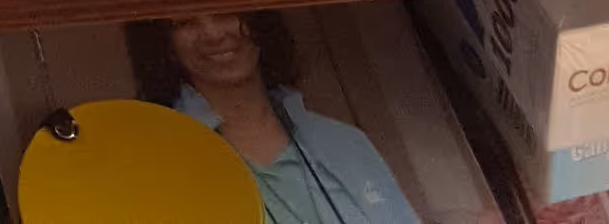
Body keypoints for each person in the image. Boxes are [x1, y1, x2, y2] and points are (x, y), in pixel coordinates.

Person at [129, 15, 426, 223]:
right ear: (164, 44)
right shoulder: (159, 167)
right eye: (185, 23)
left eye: (226, 12)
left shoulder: (346, 142)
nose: (213, 34)